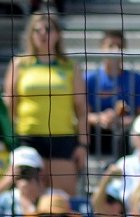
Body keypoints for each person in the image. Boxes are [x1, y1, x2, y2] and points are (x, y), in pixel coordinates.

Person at [2, 11, 89, 196]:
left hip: (62, 138)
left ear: (58, 34)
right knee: (27, 199)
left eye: (48, 29)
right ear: (31, 35)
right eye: (37, 29)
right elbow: (10, 107)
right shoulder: (19, 64)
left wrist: (82, 145)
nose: (43, 33)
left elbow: (81, 110)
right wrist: (9, 143)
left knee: (61, 200)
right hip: (27, 138)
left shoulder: (69, 66)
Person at [84, 30, 140, 158]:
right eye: (110, 46)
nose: (115, 50)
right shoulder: (89, 79)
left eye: (119, 47)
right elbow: (83, 115)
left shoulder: (136, 79)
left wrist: (120, 121)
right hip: (96, 132)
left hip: (125, 133)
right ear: (101, 49)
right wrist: (101, 118)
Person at [0, 146, 46, 217]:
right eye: (20, 170)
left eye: (28, 170)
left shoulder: (54, 197)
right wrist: (6, 181)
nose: (24, 174)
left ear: (40, 172)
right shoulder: (4, 199)